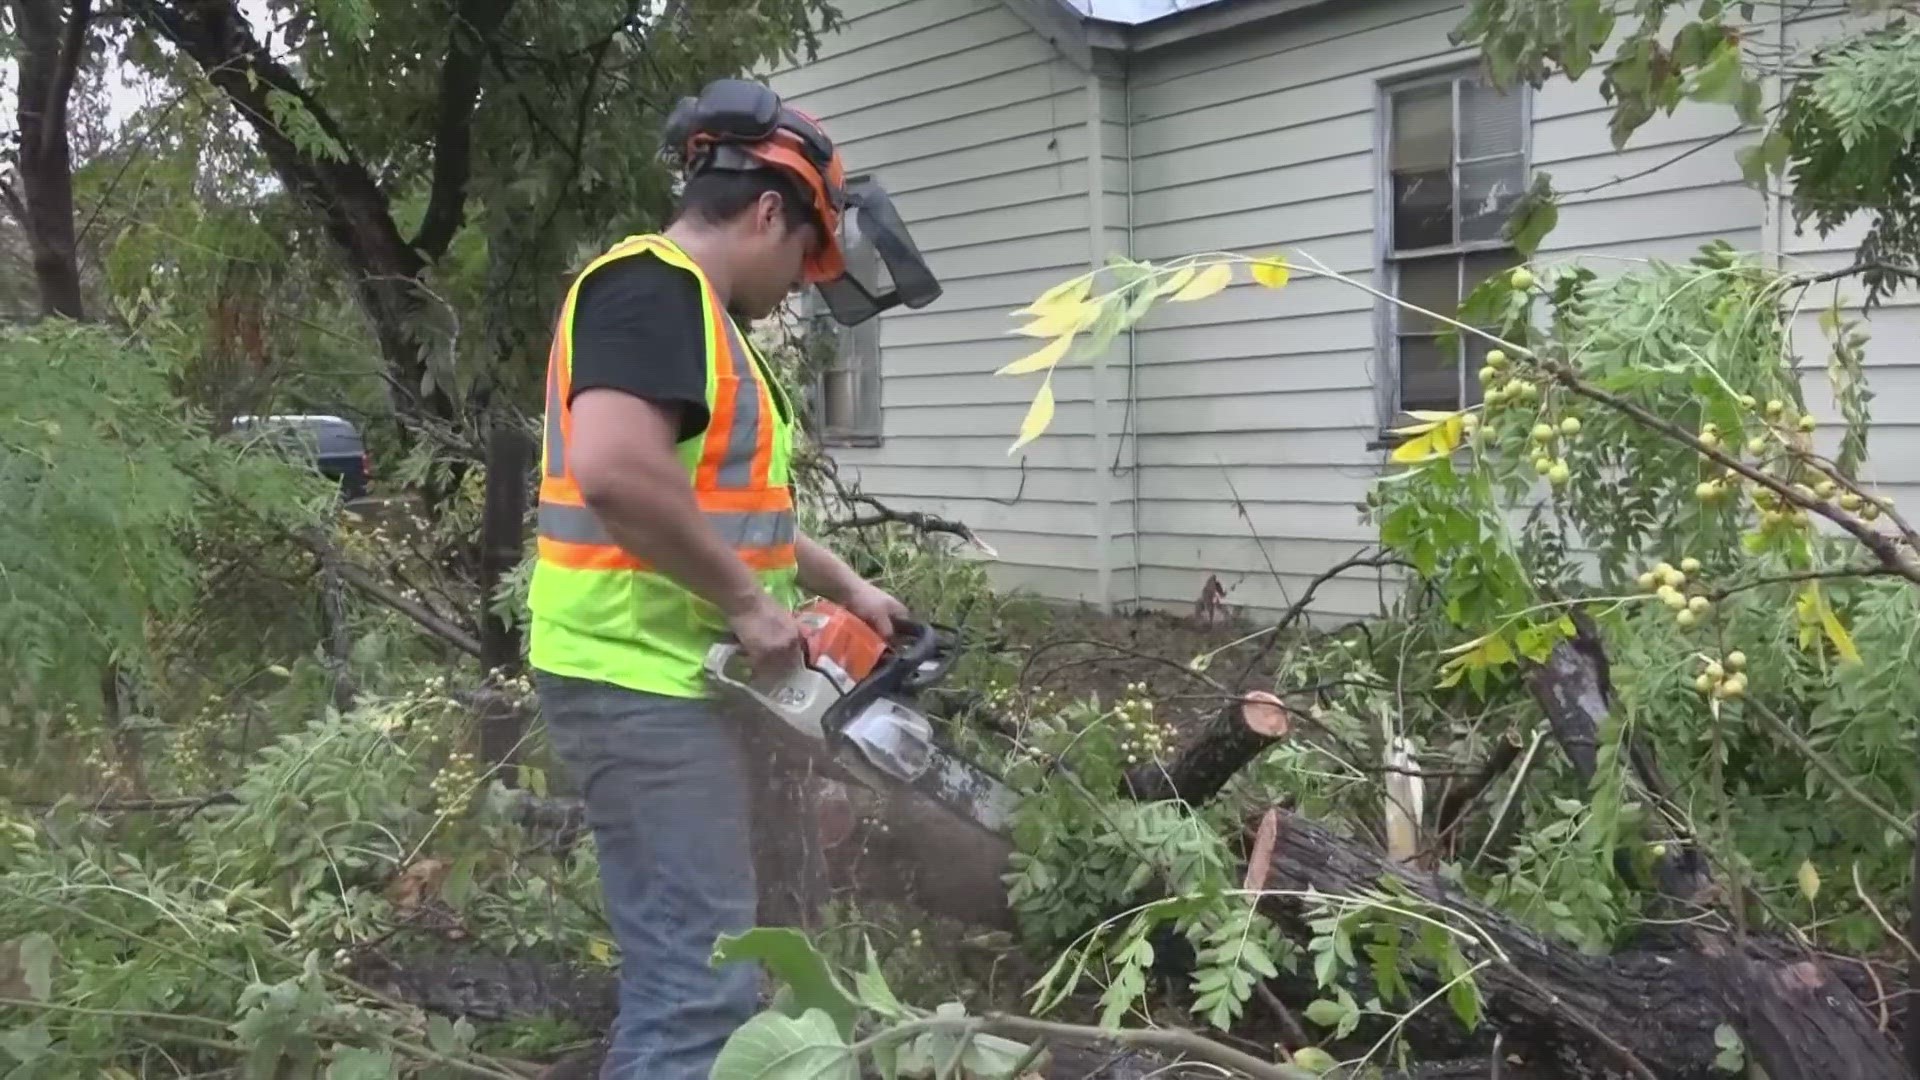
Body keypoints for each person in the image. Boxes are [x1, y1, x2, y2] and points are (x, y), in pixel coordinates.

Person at [527, 78, 936, 1079]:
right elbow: (620, 473)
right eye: (804, 253)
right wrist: (751, 606)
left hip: (666, 682)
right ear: (765, 211)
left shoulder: (700, 322)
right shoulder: (649, 288)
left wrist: (845, 590)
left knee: (699, 966)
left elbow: (716, 507)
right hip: (635, 685)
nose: (801, 281)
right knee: (694, 992)